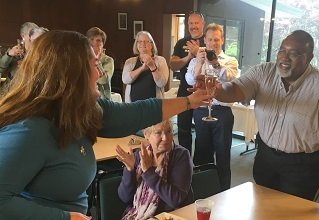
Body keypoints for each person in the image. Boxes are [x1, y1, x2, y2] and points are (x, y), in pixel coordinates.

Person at [0, 30, 209, 220]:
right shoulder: (30, 129)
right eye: (93, 64)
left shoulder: (81, 110)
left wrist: (191, 101)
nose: (100, 73)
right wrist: (65, 217)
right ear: (72, 73)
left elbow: (137, 113)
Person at [196, 30, 319, 212]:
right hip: (266, 157)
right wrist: (217, 90)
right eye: (282, 50)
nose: (285, 58)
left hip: (304, 166)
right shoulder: (263, 73)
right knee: (262, 208)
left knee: (292, 214)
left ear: (309, 57)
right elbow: (234, 89)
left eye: (294, 53)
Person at [186, 23, 238, 191]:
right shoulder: (196, 60)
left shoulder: (230, 60)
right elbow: (190, 81)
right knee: (201, 154)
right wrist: (200, 63)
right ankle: (201, 191)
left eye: (216, 39)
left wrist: (215, 63)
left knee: (223, 156)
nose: (213, 43)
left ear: (222, 40)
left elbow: (230, 77)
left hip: (222, 113)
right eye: (210, 39)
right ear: (204, 40)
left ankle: (224, 193)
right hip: (201, 110)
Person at [116, 120, 193, 219]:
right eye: (158, 133)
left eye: (168, 131)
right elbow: (125, 198)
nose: (165, 138)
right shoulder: (138, 156)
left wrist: (148, 172)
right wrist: (129, 170)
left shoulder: (181, 155)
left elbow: (175, 199)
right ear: (146, 135)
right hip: (137, 215)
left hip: (169, 216)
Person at [169, 12, 206, 154]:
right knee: (183, 128)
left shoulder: (208, 41)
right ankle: (184, 161)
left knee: (202, 129)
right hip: (184, 90)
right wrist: (189, 57)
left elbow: (215, 64)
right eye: (191, 23)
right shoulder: (181, 43)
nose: (193, 26)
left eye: (196, 23)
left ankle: (199, 164)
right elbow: (173, 65)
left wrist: (198, 52)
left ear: (202, 24)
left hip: (202, 90)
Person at [122, 31, 169, 103]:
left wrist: (152, 66)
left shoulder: (161, 60)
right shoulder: (130, 61)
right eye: (139, 41)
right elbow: (125, 80)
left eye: (146, 41)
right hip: (133, 106)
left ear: (152, 45)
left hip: (154, 106)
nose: (142, 44)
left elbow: (161, 83)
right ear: (136, 45)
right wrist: (142, 68)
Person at [86, 27, 115, 100]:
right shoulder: (83, 59)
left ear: (102, 44)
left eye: (98, 40)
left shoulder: (108, 60)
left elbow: (104, 80)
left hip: (103, 100)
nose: (94, 43)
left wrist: (97, 61)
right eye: (92, 39)